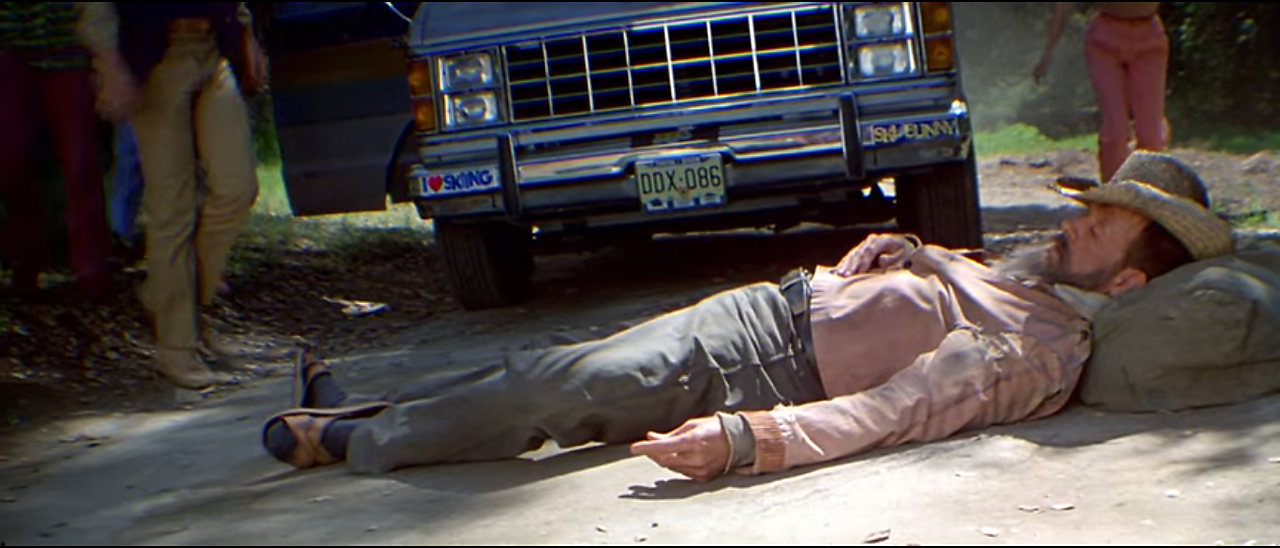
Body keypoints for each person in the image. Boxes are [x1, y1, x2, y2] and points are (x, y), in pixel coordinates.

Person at [260, 151, 1235, 480]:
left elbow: (899, 408)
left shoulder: (1043, 346)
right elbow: (942, 287)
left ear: (1126, 285)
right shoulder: (1028, 279)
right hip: (760, 313)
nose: (1072, 222)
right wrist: (905, 249)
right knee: (554, 362)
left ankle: (352, 442)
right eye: (1087, 206)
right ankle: (368, 408)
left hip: (761, 370)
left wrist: (747, 441)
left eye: (1098, 226)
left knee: (551, 386)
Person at [77, 2, 267, 389]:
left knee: (237, 187)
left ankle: (167, 296)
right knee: (173, 208)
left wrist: (246, 32)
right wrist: (109, 64)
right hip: (153, 58)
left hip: (212, 47)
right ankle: (176, 346)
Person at [0, 1, 112, 300]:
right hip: (12, 48)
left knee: (79, 162)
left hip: (69, 48)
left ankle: (91, 269)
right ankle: (25, 260)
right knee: (13, 158)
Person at [1033, 2, 1171, 183]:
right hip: (1104, 39)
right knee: (1116, 131)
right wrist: (1049, 50)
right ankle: (1112, 191)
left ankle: (1146, 191)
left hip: (1149, 38)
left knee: (1150, 135)